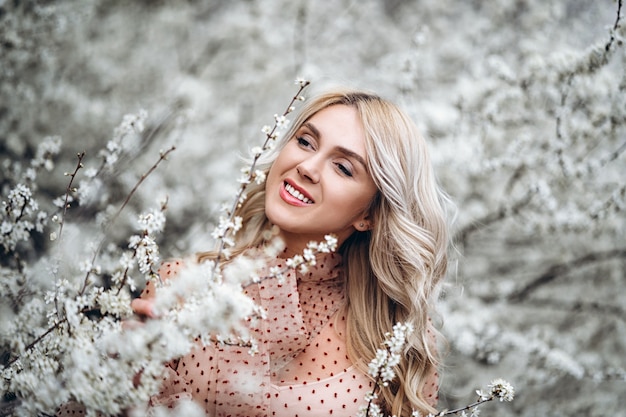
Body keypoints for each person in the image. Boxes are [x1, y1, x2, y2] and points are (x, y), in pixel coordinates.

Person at [60, 86, 450, 417]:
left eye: (344, 168)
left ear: (370, 213)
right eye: (305, 141)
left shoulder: (400, 339)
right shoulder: (180, 288)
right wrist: (113, 376)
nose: (308, 166)